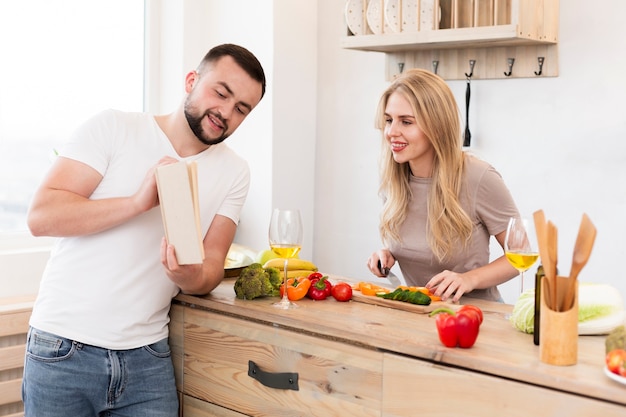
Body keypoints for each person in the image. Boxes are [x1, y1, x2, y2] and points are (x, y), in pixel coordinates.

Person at [23, 43, 266, 416]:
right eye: (221, 93)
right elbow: (42, 216)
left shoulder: (235, 172)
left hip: (147, 359)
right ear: (191, 81)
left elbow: (212, 266)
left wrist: (190, 275)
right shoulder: (114, 127)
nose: (226, 112)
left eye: (241, 109)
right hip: (62, 349)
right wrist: (137, 202)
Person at [366, 68, 519, 303]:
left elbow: (522, 255)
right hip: (419, 315)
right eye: (388, 120)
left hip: (476, 319)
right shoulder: (394, 178)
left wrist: (469, 279)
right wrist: (387, 255)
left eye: (406, 122)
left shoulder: (479, 177)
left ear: (436, 126)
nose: (391, 132)